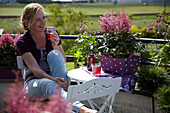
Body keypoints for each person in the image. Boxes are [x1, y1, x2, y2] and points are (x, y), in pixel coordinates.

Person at [16, 3, 97, 113]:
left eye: (44, 17)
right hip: (34, 85)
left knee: (54, 55)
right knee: (47, 83)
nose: (43, 22)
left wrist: (55, 46)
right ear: (27, 22)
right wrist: (53, 80)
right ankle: (81, 109)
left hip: (57, 82)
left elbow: (62, 61)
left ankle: (71, 106)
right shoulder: (23, 41)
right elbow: (35, 69)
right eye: (37, 19)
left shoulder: (52, 33)